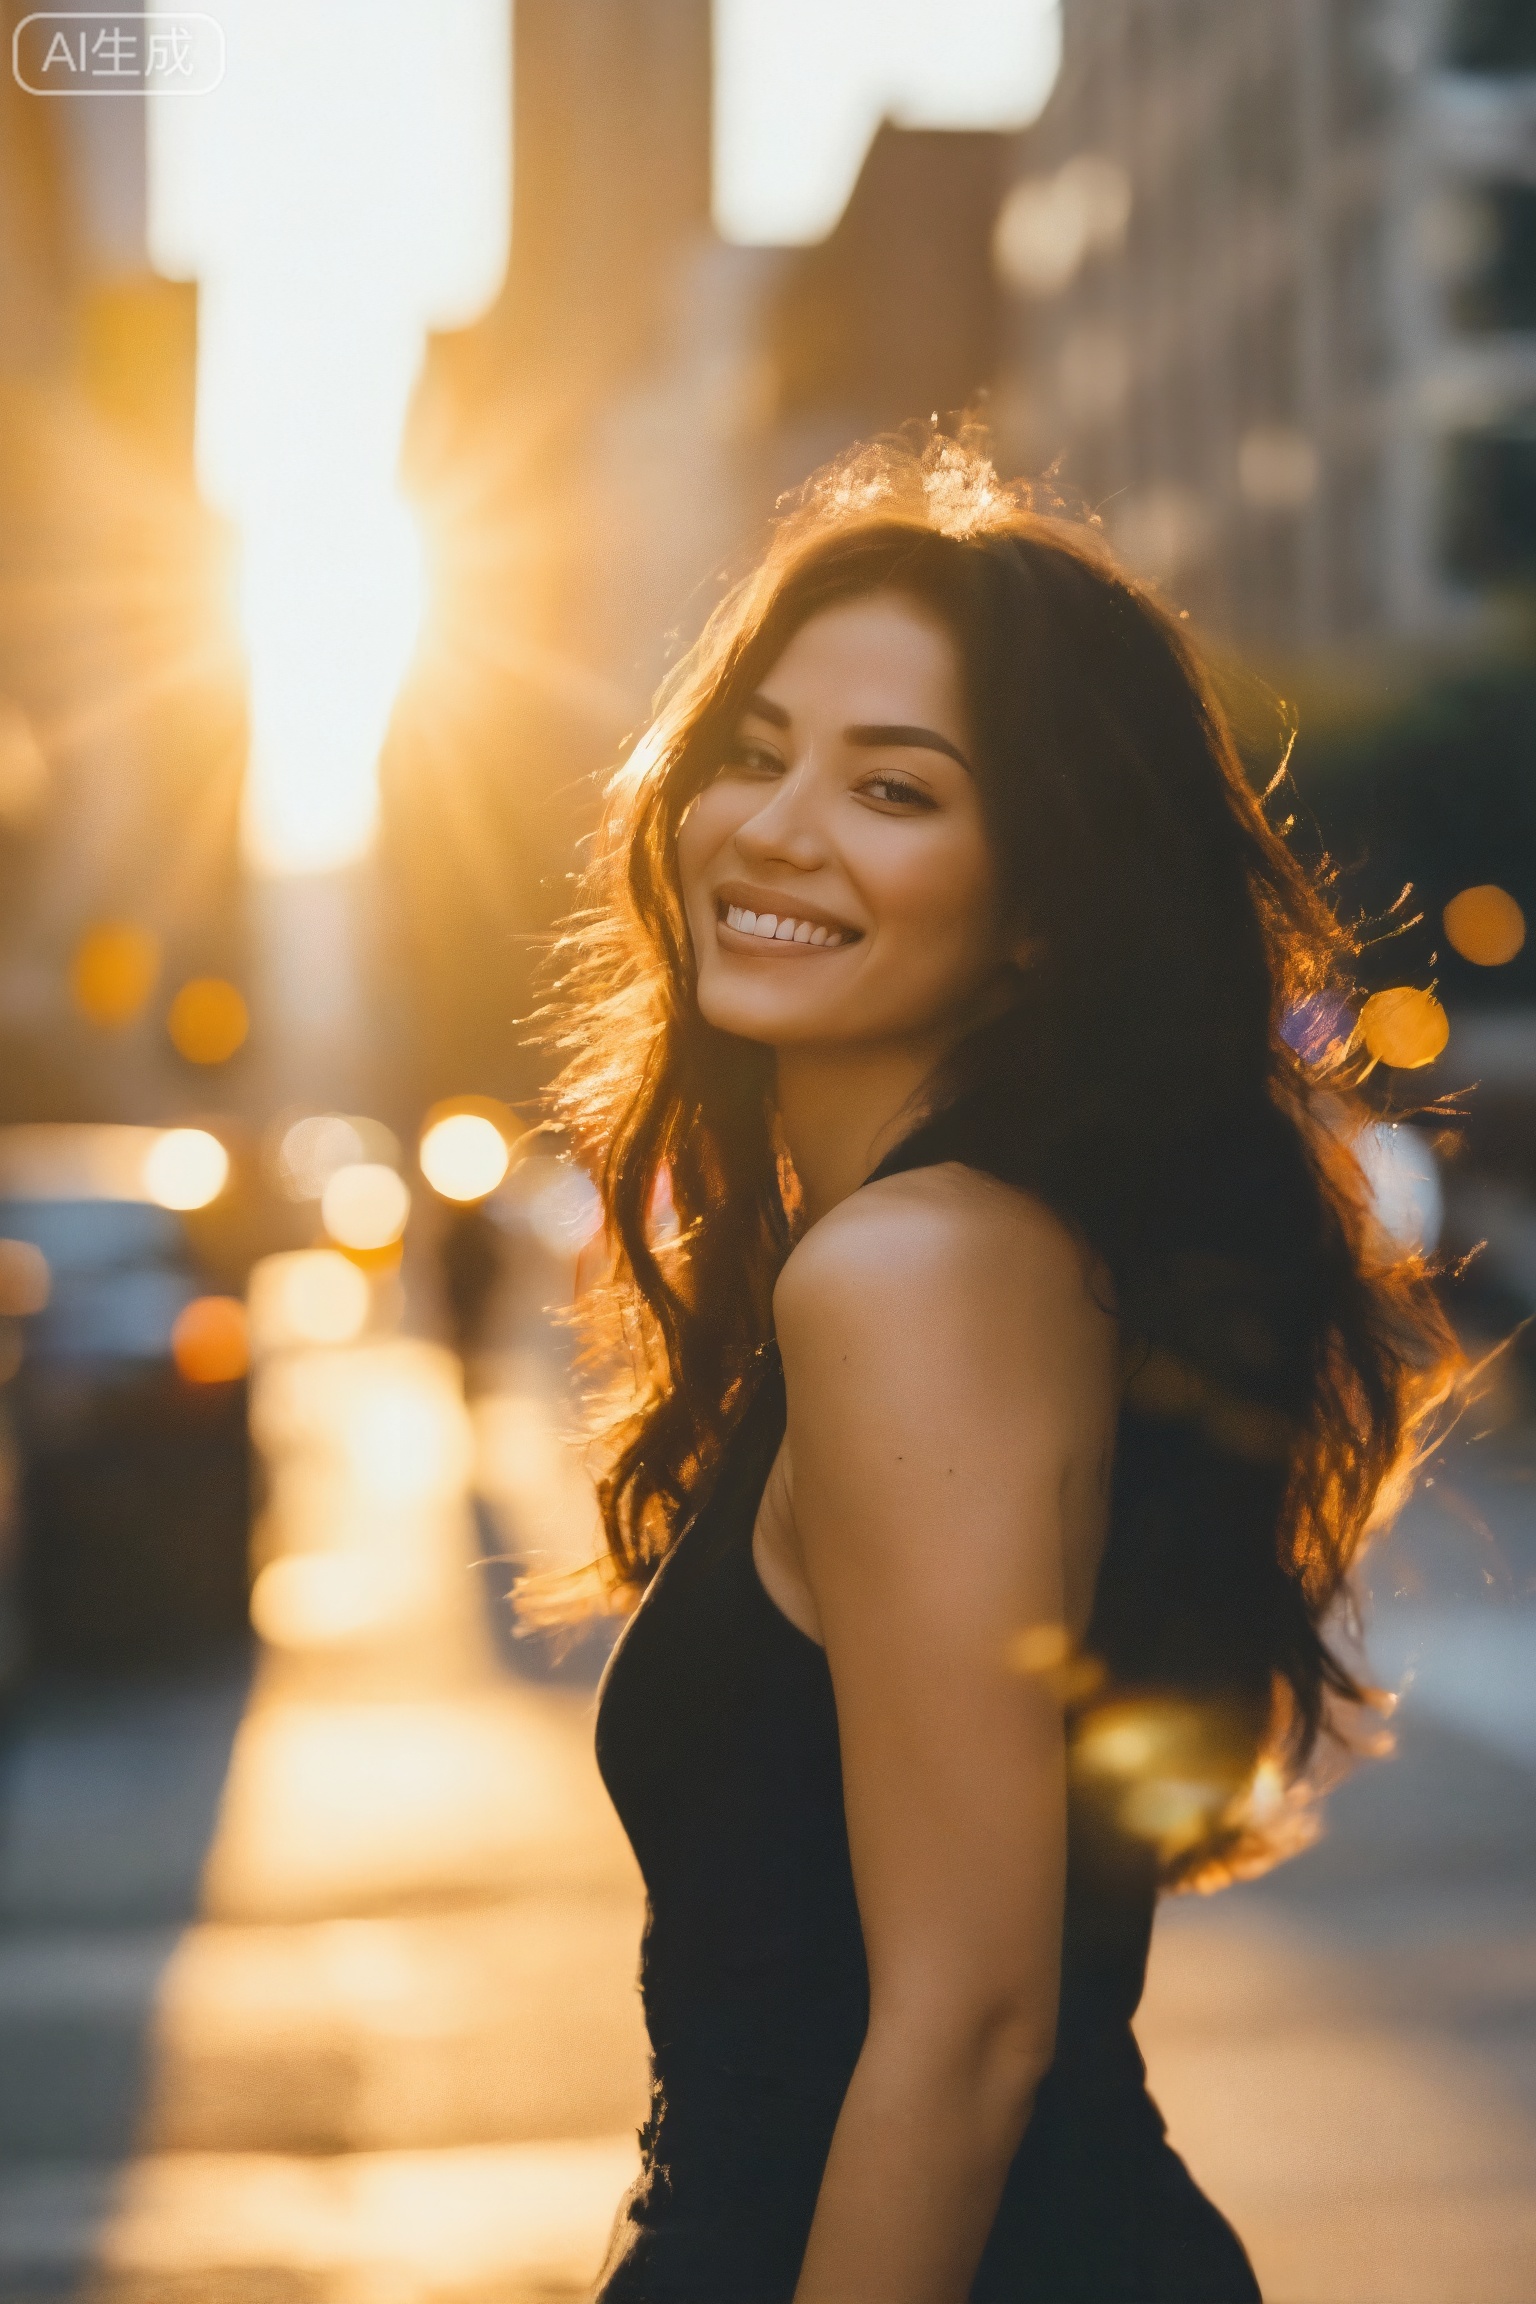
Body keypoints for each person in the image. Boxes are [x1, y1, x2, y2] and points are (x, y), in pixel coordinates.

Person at [547, 434, 1457, 2303]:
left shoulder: (914, 1273)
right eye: (753, 749)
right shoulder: (995, 1253)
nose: (778, 826)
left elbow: (969, 2033)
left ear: (1041, 902)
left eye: (895, 787)